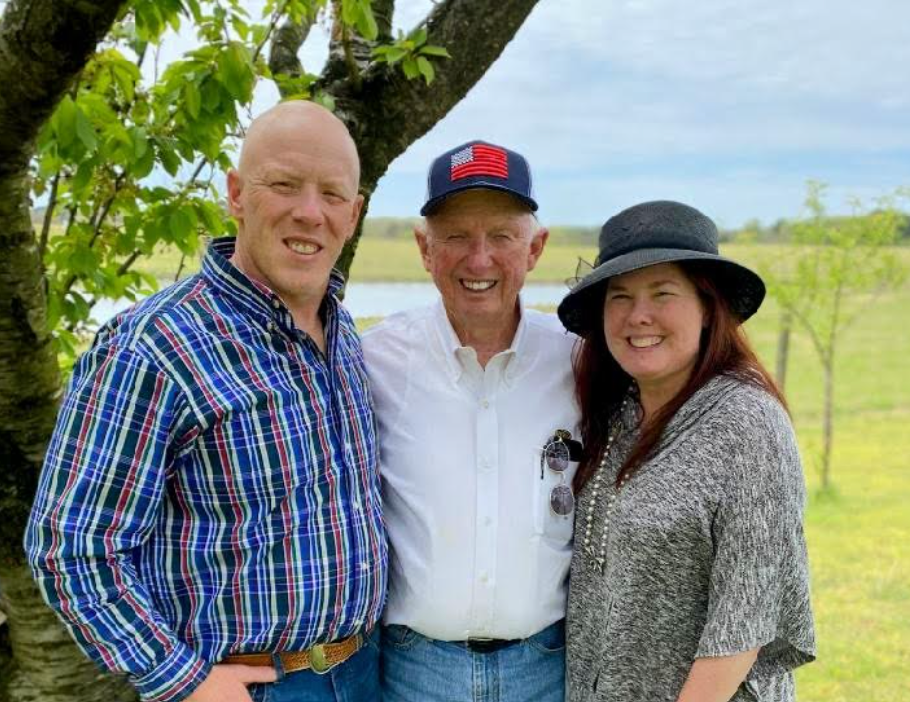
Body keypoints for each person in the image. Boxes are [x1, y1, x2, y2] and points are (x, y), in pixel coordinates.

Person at [24, 101, 386, 702]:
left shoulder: (342, 333)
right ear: (237, 194)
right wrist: (181, 680)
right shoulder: (155, 348)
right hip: (243, 685)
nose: (309, 212)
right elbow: (71, 546)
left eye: (331, 194)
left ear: (354, 214)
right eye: (285, 185)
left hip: (363, 671)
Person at [556, 200, 816, 702]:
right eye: (621, 296)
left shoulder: (747, 422)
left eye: (663, 293)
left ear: (706, 307)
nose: (639, 316)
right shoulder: (619, 416)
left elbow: (743, 618)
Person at [362, 140, 579, 701]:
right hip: (415, 671)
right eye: (456, 236)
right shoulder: (374, 360)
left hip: (546, 667)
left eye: (502, 237)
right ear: (423, 249)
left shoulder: (579, 363)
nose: (479, 260)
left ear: (535, 249)